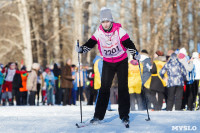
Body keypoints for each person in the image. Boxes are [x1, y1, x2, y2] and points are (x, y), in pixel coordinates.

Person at [76, 7, 139, 124]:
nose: (105, 24)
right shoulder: (99, 32)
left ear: (111, 21)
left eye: (107, 21)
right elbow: (90, 43)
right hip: (108, 62)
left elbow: (129, 43)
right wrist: (81, 49)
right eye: (103, 22)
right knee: (104, 88)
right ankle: (98, 116)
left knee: (123, 87)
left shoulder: (119, 31)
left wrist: (135, 53)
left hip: (121, 61)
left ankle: (124, 115)